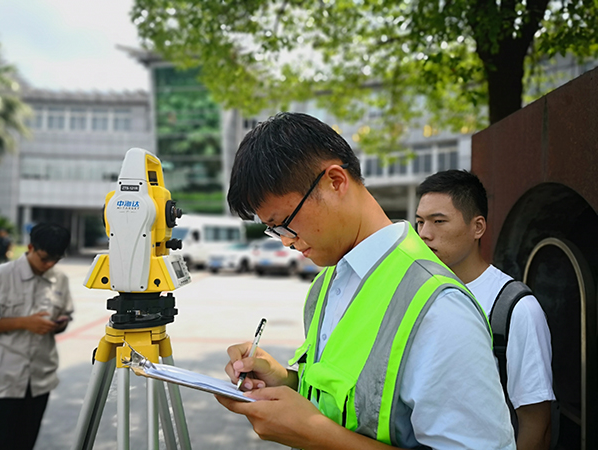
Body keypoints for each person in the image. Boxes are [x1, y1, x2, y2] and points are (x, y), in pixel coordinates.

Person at [216, 112, 515, 449]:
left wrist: (316, 434)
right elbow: (354, 400)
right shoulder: (327, 284)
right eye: (274, 230)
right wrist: (287, 381)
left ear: (335, 182)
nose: (285, 240)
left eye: (285, 222)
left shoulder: (438, 308)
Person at [416, 170, 555, 450]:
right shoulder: (415, 293)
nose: (424, 234)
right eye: (419, 222)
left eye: (438, 221)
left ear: (477, 227)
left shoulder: (515, 307)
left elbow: (535, 423)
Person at [0, 222, 74, 450]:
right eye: (44, 258)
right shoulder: (2, 276)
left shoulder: (59, 278)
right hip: (4, 380)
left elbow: (65, 314)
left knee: (26, 442)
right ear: (30, 247)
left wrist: (57, 325)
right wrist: (24, 322)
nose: (49, 264)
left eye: (56, 259)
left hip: (40, 379)